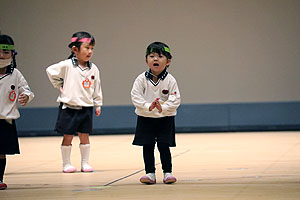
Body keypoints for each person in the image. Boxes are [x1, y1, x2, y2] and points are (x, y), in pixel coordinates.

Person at [46, 31, 103, 173]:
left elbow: (97, 87)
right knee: (68, 136)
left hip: (86, 108)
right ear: (75, 49)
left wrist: (98, 104)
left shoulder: (93, 68)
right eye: (87, 48)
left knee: (85, 136)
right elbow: (50, 70)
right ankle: (66, 164)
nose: (90, 51)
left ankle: (85, 163)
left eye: (92, 48)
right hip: (69, 108)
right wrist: (58, 84)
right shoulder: (67, 65)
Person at [131, 42, 181, 184]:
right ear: (146, 60)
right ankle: (150, 173)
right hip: (146, 118)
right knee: (147, 146)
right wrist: (148, 106)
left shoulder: (170, 80)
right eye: (151, 56)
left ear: (168, 61)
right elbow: (135, 96)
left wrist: (162, 108)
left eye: (160, 56)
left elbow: (175, 99)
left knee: (164, 145)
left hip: (165, 118)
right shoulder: (141, 79)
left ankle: (167, 172)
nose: (155, 59)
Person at [0, 34, 34, 190]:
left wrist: (26, 96)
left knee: (1, 152)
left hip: (6, 120)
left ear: (13, 54)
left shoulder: (16, 74)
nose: (1, 55)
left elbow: (26, 90)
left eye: (6, 52)